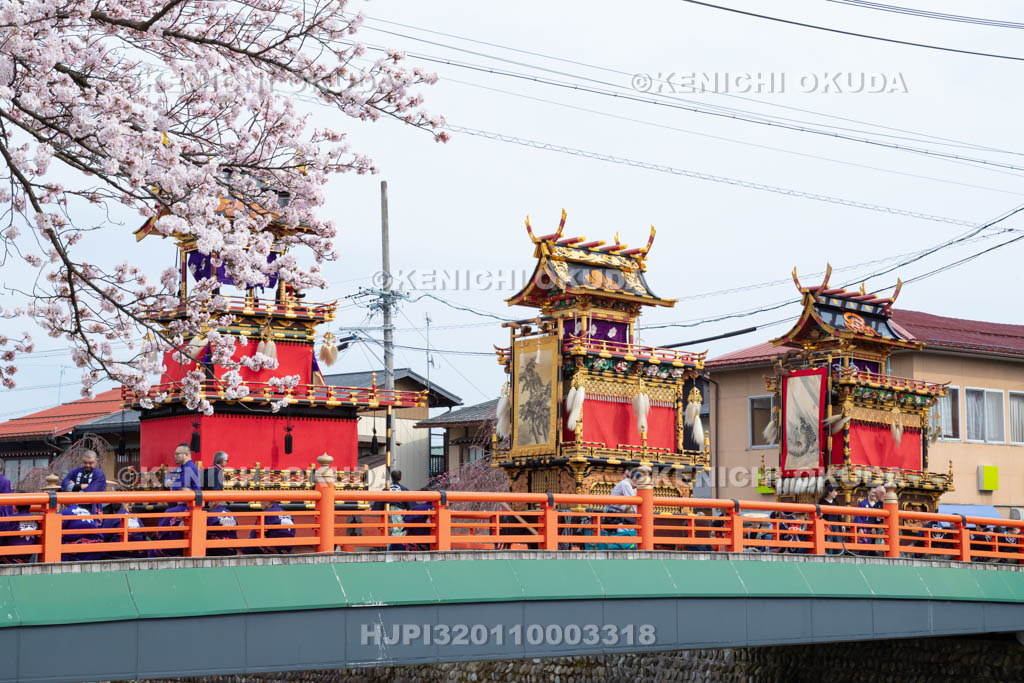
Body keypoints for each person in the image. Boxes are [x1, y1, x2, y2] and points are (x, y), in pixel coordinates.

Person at [853, 485, 885, 555]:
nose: (874, 494)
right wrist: (860, 527)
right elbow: (858, 516)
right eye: (873, 492)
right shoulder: (862, 503)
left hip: (877, 529)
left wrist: (874, 526)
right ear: (868, 492)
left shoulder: (879, 503)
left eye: (876, 493)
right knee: (865, 547)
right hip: (866, 528)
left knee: (876, 547)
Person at [817, 481, 844, 555]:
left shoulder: (836, 502)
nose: (836, 493)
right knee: (829, 542)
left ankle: (840, 556)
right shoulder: (822, 502)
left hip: (836, 525)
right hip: (827, 526)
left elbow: (839, 515)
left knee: (838, 542)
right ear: (829, 492)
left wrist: (842, 524)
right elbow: (819, 516)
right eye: (835, 491)